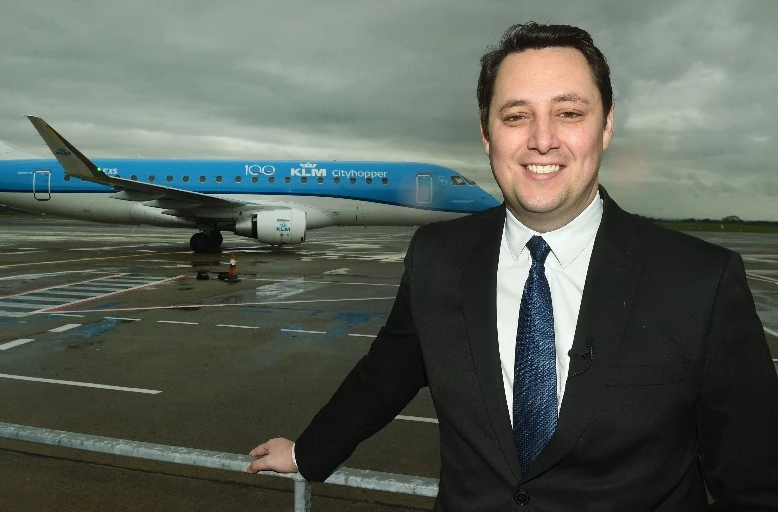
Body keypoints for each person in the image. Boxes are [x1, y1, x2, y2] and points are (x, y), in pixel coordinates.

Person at [247, 22, 778, 511]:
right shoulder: (438, 257)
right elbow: (387, 374)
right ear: (486, 134)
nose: (542, 139)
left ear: (607, 126)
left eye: (569, 113)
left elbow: (754, 480)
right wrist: (308, 452)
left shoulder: (701, 282)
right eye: (516, 115)